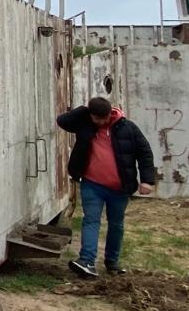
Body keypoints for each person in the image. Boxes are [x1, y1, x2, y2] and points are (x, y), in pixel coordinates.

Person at [56, 96, 155, 278]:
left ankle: (112, 263)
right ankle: (87, 261)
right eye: (97, 118)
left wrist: (147, 180)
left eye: (105, 117)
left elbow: (145, 152)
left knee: (116, 224)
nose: (101, 122)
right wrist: (85, 110)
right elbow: (62, 121)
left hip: (119, 188)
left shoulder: (128, 128)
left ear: (111, 112)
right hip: (92, 184)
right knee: (91, 220)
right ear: (91, 115)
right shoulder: (85, 124)